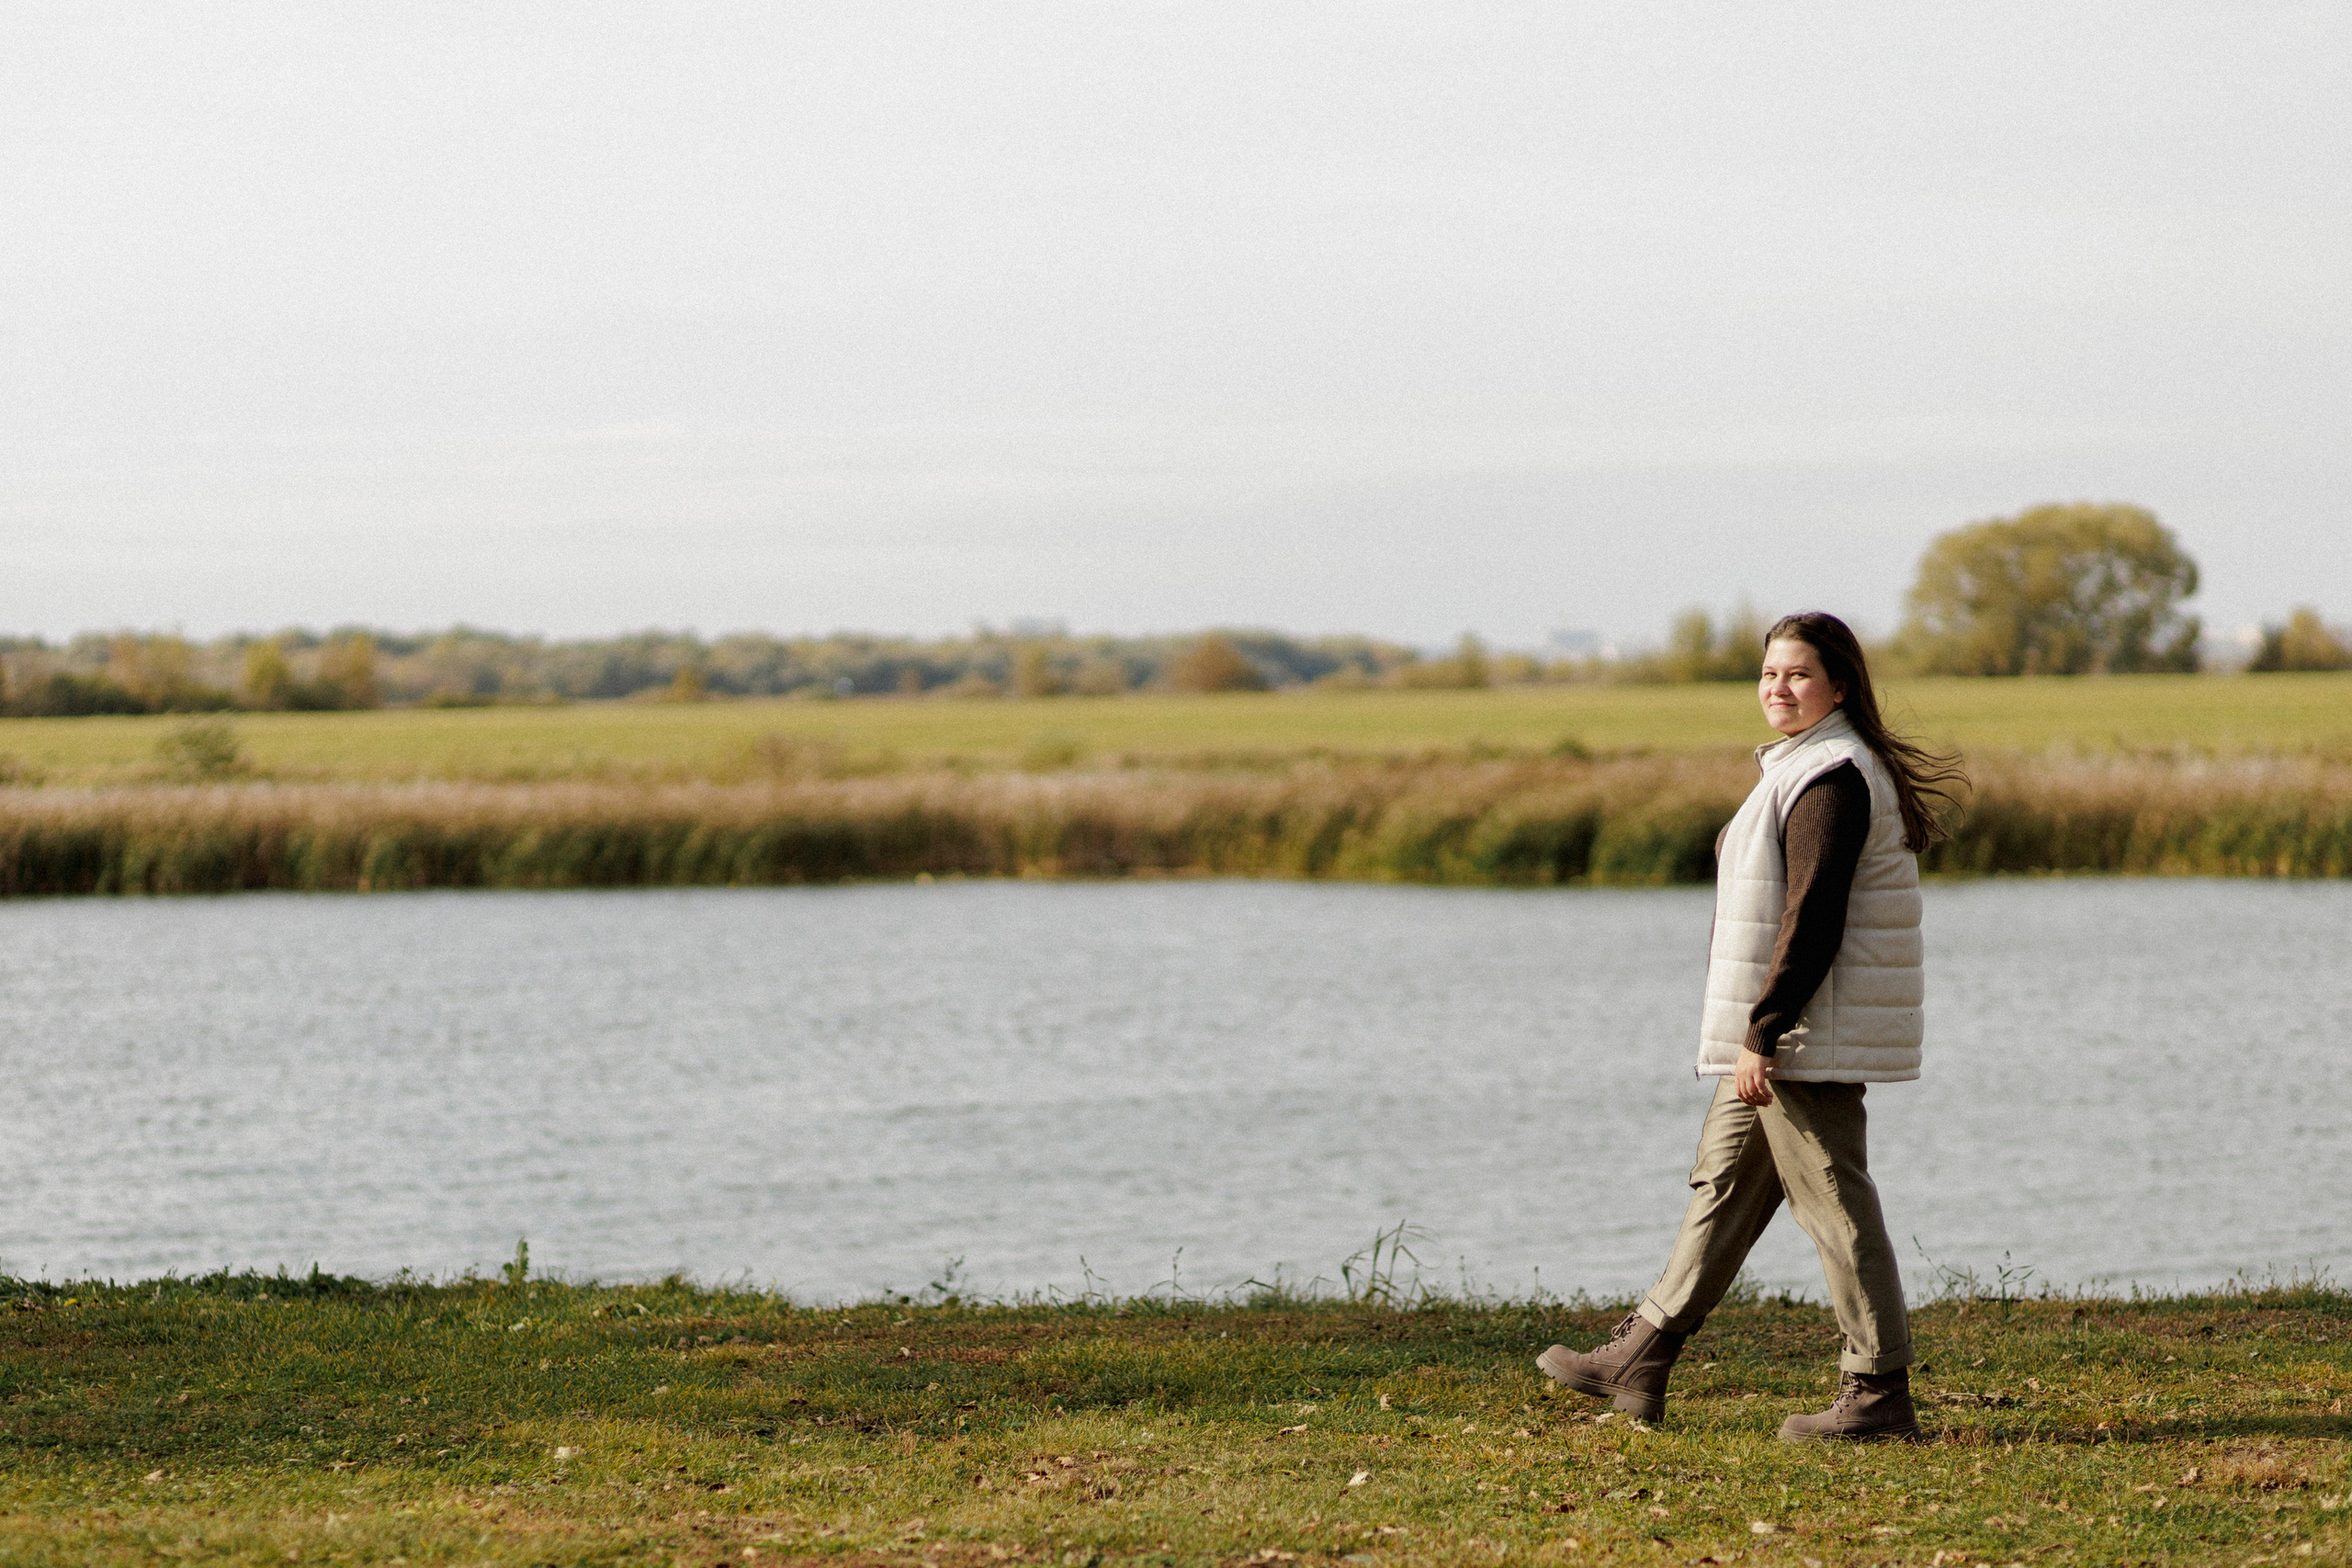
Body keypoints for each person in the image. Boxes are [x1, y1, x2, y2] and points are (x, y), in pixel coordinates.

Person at [1537, 611, 1963, 1441]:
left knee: (1836, 1203)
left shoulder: (1831, 775)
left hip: (1802, 1035)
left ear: (1838, 686)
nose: (1778, 687)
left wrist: (1765, 1030)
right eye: (1770, 674)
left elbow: (1812, 918)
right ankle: (1641, 1357)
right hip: (1779, 1034)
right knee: (1724, 1183)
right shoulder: (1801, 764)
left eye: (1798, 674)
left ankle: (1877, 1392)